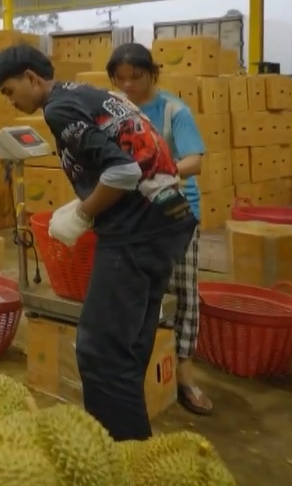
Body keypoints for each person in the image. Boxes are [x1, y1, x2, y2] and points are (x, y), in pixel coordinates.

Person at [0, 44, 196, 442]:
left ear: (32, 78)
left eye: (10, 90)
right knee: (130, 346)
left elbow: (123, 170)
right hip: (167, 224)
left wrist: (84, 213)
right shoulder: (91, 95)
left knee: (100, 352)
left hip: (134, 233)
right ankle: (137, 449)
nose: (10, 99)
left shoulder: (58, 108)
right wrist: (87, 203)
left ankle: (120, 457)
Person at [107, 43, 211, 416]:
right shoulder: (117, 110)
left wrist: (153, 172)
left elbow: (194, 161)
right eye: (121, 79)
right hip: (135, 214)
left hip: (177, 213)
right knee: (143, 292)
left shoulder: (173, 110)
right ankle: (144, 368)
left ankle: (184, 373)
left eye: (136, 77)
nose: (129, 85)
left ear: (153, 73)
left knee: (183, 293)